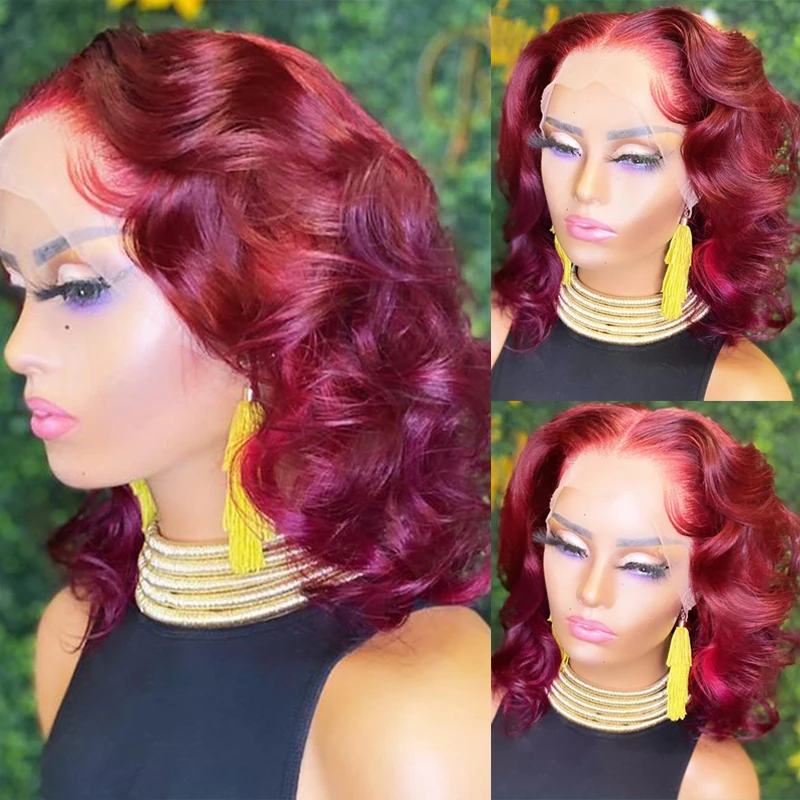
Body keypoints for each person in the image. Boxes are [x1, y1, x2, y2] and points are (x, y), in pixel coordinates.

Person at [0, 24, 490, 800]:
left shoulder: (411, 706)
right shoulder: (72, 635)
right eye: (18, 288)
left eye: (78, 287)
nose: (20, 348)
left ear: (266, 298)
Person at [491, 404, 800, 799]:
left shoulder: (708, 785)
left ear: (701, 586)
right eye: (568, 546)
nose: (591, 592)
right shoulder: (470, 709)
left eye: (640, 567)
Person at [491, 7, 800, 400]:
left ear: (704, 179)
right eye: (563, 147)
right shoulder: (494, 332)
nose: (585, 189)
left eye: (634, 158)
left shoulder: (742, 387)